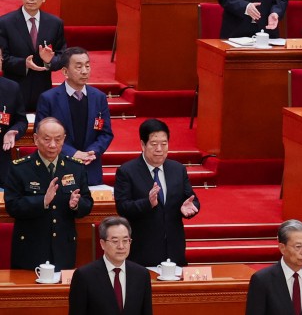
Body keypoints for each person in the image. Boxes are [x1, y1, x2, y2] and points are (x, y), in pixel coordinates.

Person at [4, 118, 92, 271]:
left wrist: (76, 205)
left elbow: (87, 202)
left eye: (57, 140)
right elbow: (12, 206)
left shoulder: (75, 167)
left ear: (64, 139)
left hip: (64, 249)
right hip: (30, 250)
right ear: (36, 139)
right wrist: (43, 201)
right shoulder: (20, 168)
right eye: (47, 139)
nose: (52, 145)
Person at [113, 119, 199, 267]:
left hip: (174, 251)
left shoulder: (178, 169)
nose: (159, 149)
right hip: (143, 251)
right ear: (142, 145)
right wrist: (148, 203)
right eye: (154, 144)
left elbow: (192, 199)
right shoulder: (127, 171)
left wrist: (187, 210)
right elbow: (122, 207)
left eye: (164, 144)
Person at [35, 47, 112, 186]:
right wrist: (73, 153)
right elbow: (41, 135)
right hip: (58, 168)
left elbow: (106, 133)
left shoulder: (99, 97)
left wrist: (91, 152)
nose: (85, 71)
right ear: (65, 71)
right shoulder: (49, 98)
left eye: (87, 66)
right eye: (79, 67)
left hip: (90, 167)